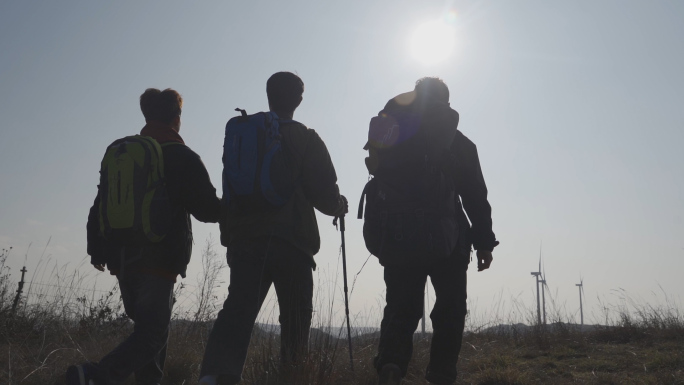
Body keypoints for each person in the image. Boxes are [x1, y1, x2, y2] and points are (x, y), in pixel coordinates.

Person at [198, 72, 348, 385]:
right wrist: (339, 206)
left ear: (268, 95)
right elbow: (324, 194)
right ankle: (292, 377)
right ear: (299, 99)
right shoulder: (306, 138)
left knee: (238, 310)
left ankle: (216, 376)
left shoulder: (244, 133)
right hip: (291, 241)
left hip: (245, 240)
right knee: (295, 318)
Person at [67, 88, 221, 385]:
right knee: (152, 335)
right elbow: (208, 210)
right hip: (158, 262)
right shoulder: (181, 155)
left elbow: (100, 203)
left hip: (122, 261)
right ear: (177, 119)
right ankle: (94, 376)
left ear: (147, 116)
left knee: (148, 333)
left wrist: (97, 250)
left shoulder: (124, 155)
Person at [367, 78, 499, 385]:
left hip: (398, 234)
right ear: (446, 104)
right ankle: (441, 375)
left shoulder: (394, 135)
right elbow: (475, 197)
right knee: (450, 311)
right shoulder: (460, 143)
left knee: (401, 307)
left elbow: (374, 170)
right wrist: (484, 243)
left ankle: (391, 365)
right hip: (448, 237)